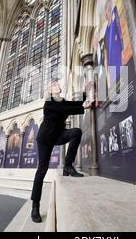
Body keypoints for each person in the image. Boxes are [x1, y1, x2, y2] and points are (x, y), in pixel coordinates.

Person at [31, 81, 95, 223]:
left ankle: (68, 165)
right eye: (53, 85)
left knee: (76, 132)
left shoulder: (62, 101)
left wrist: (85, 92)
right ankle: (35, 206)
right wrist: (84, 107)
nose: (57, 85)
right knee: (42, 170)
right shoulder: (49, 102)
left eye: (57, 83)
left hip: (58, 135)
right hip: (45, 138)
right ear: (50, 91)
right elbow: (65, 110)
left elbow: (72, 105)